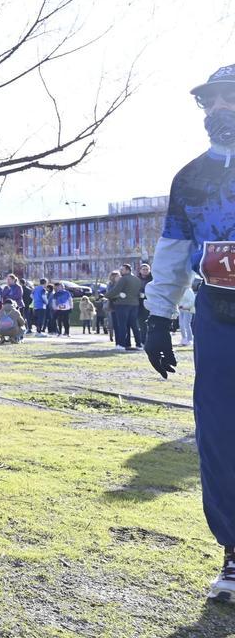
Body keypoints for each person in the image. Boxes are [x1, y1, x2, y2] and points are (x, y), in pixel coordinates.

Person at [142, 62, 235, 602]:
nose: (220, 109)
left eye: (231, 99)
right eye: (211, 101)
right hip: (219, 319)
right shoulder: (190, 179)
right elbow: (173, 253)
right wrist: (157, 315)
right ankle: (234, 549)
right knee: (221, 435)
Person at [105, 264, 142, 351]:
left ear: (127, 270)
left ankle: (121, 345)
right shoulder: (137, 279)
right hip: (135, 305)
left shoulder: (124, 279)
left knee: (122, 325)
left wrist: (106, 296)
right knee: (134, 325)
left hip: (122, 305)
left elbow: (116, 290)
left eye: (122, 270)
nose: (121, 271)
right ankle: (139, 344)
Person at [178, 279, 198, 347]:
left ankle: (190, 339)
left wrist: (184, 306)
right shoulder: (179, 290)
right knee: (181, 324)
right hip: (180, 310)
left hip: (188, 310)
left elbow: (192, 301)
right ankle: (184, 338)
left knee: (186, 324)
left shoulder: (188, 290)